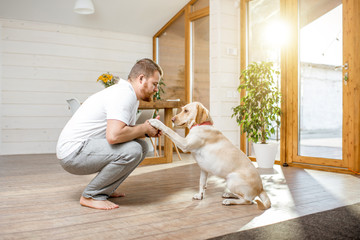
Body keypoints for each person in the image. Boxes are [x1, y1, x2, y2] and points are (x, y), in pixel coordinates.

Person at [56, 58, 162, 210]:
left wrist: (148, 131)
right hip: (73, 152)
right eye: (155, 84)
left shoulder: (129, 95)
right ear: (141, 79)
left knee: (142, 147)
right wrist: (143, 129)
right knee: (134, 150)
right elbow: (114, 136)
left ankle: (105, 189)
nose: (156, 89)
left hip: (82, 149)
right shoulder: (123, 94)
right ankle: (91, 195)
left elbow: (127, 133)